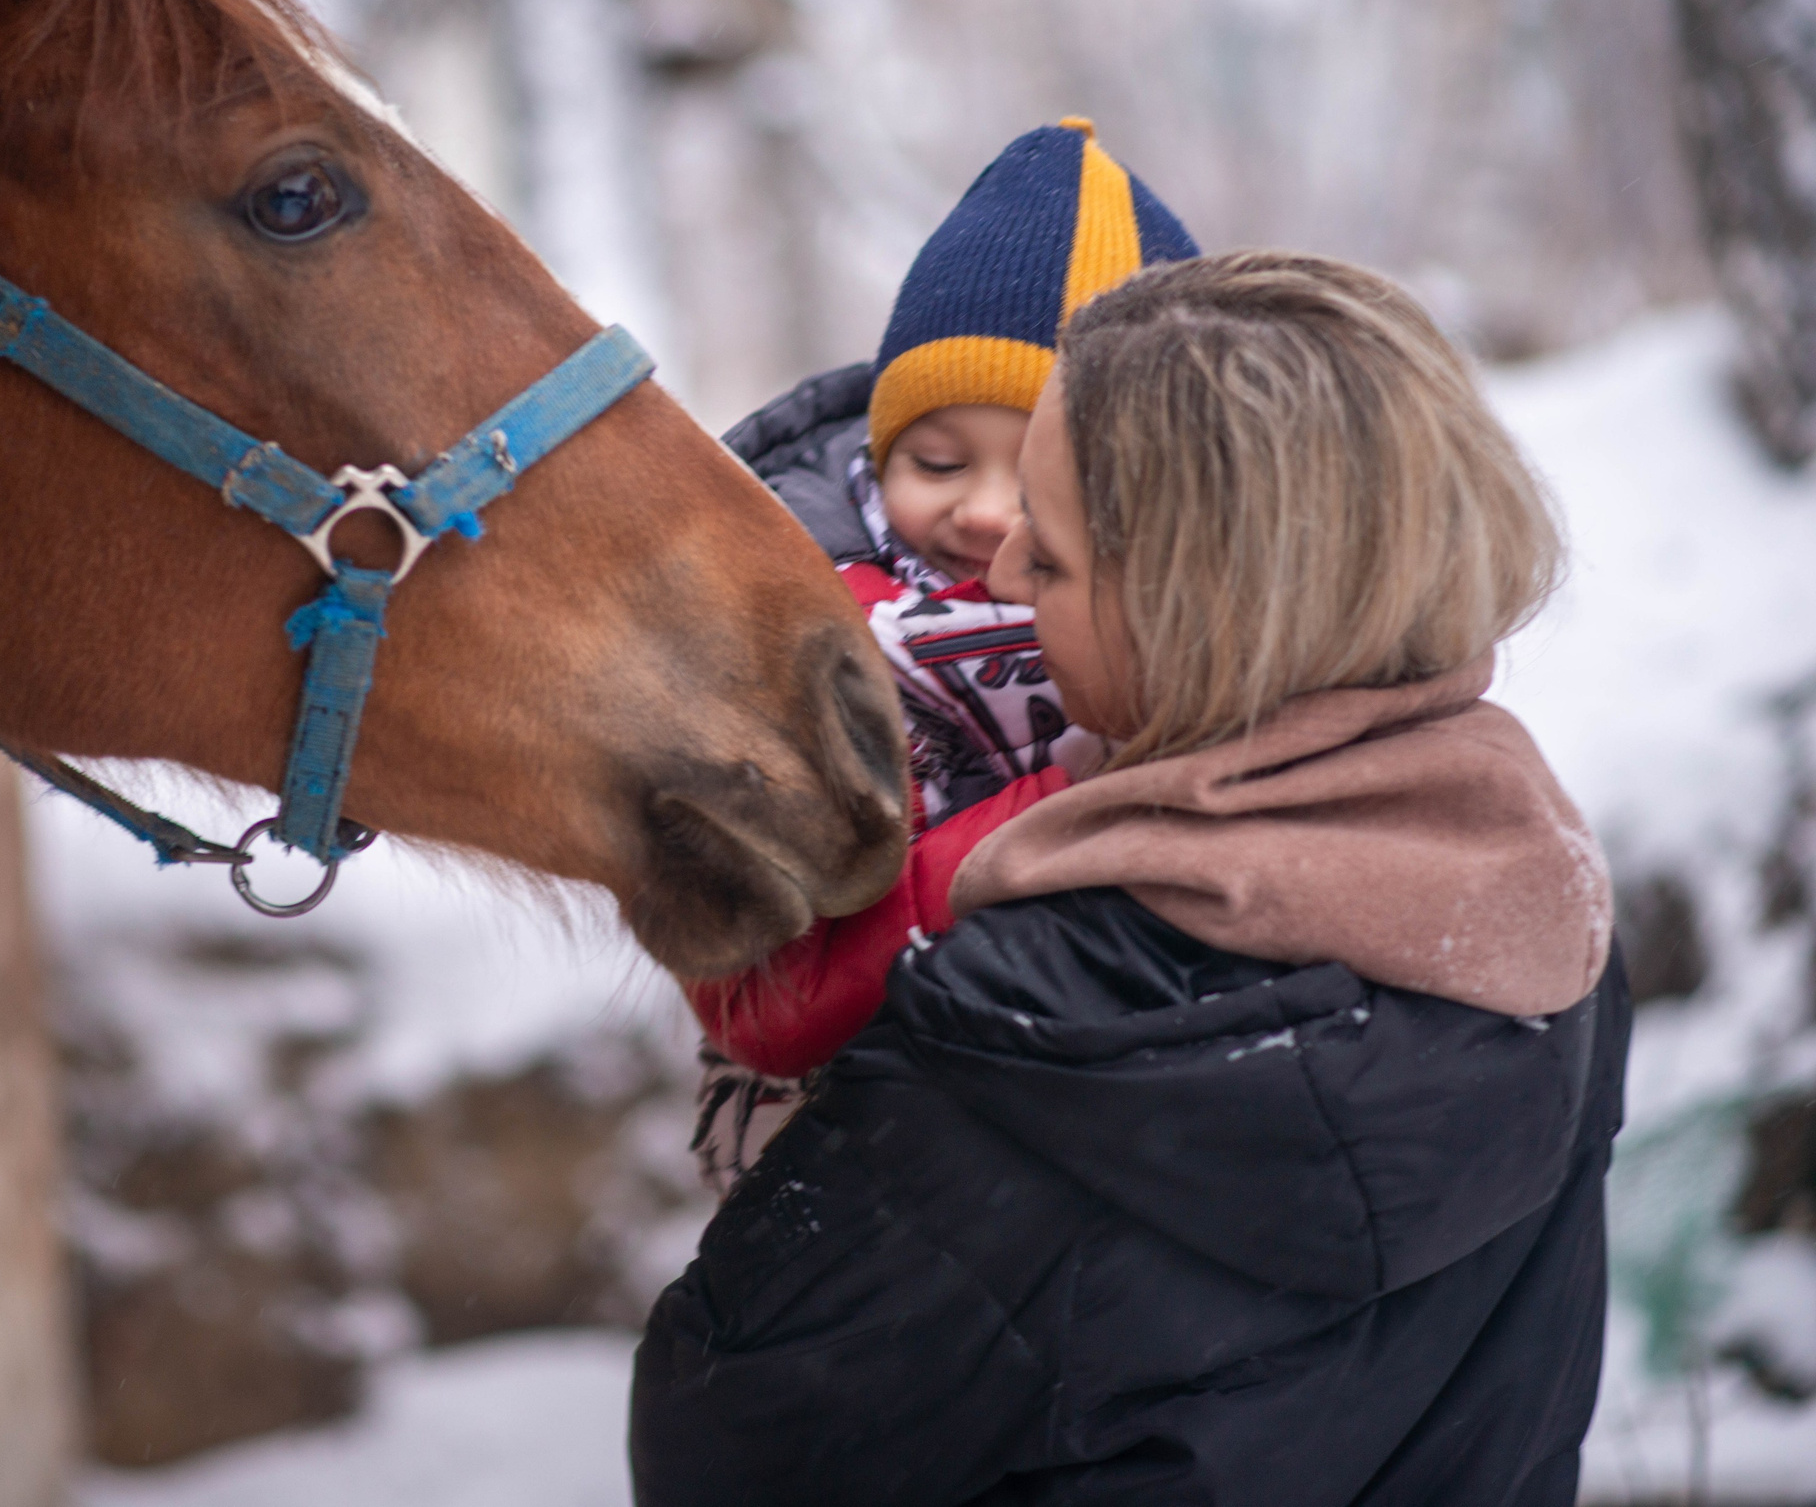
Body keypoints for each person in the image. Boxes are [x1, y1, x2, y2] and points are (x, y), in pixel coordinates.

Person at [632, 250, 1626, 1507]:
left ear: (1197, 610)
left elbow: (735, 1434)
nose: (995, 580)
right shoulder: (1541, 894)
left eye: (1048, 564)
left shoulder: (1020, 1017)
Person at [686, 119, 1197, 1189]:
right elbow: (761, 994)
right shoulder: (807, 633)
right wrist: (1059, 807)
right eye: (935, 458)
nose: (983, 513)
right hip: (854, 1131)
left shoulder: (1212, 636)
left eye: (1051, 477)